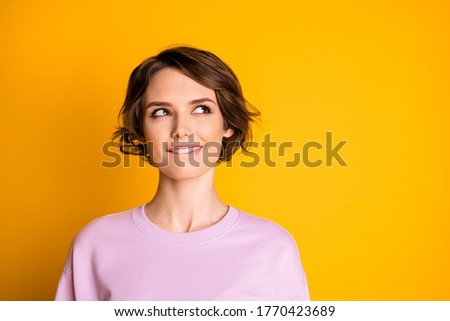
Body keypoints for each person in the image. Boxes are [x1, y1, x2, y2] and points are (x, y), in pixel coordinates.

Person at [55, 46, 310, 300]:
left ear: (228, 125)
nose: (181, 130)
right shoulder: (95, 244)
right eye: (161, 112)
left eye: (201, 109)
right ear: (141, 131)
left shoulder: (273, 248)